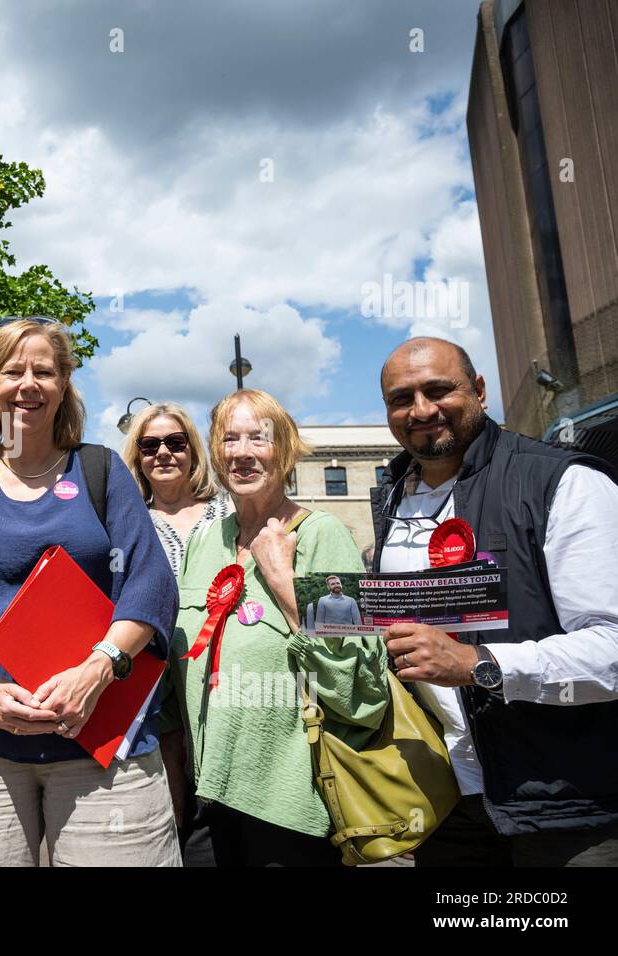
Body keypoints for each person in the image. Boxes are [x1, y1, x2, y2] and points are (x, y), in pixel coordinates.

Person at [0, 317, 180, 867]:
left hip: (100, 742)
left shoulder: (102, 470)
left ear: (63, 385)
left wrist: (98, 669)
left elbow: (149, 583)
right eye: (13, 370)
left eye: (44, 371)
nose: (28, 384)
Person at [374, 336, 618, 866]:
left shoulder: (563, 481)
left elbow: (613, 649)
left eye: (439, 390)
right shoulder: (391, 498)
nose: (421, 410)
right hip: (445, 800)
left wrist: (479, 665)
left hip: (563, 804)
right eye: (401, 398)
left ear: (480, 390)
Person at [165, 388, 388, 866]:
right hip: (207, 793)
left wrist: (284, 580)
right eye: (229, 439)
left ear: (284, 452)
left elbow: (359, 684)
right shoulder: (206, 541)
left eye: (259, 439)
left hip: (288, 803)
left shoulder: (320, 533)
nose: (242, 453)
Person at [119, 401, 230, 849]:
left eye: (175, 442)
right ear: (137, 457)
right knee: (170, 769)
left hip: (222, 672)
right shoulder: (129, 523)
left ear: (192, 450)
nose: (162, 453)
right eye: (149, 445)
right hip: (156, 677)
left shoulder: (227, 513)